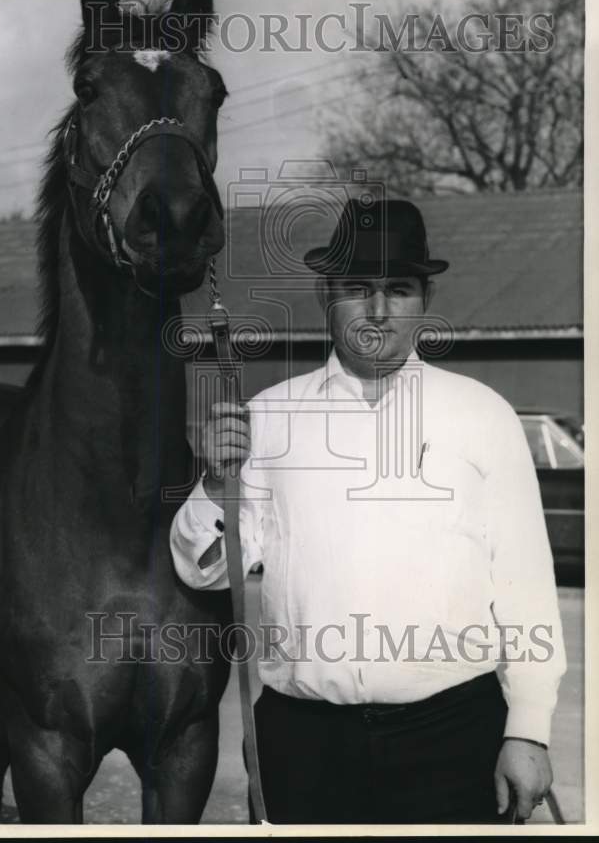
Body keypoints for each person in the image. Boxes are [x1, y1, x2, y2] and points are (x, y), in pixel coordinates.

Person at [170, 197, 566, 825]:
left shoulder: (482, 414)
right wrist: (216, 485)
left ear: (424, 299)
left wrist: (529, 731)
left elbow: (527, 591)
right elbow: (205, 572)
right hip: (302, 743)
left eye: (398, 289)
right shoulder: (269, 417)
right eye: (359, 288)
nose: (379, 310)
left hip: (453, 734)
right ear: (327, 294)